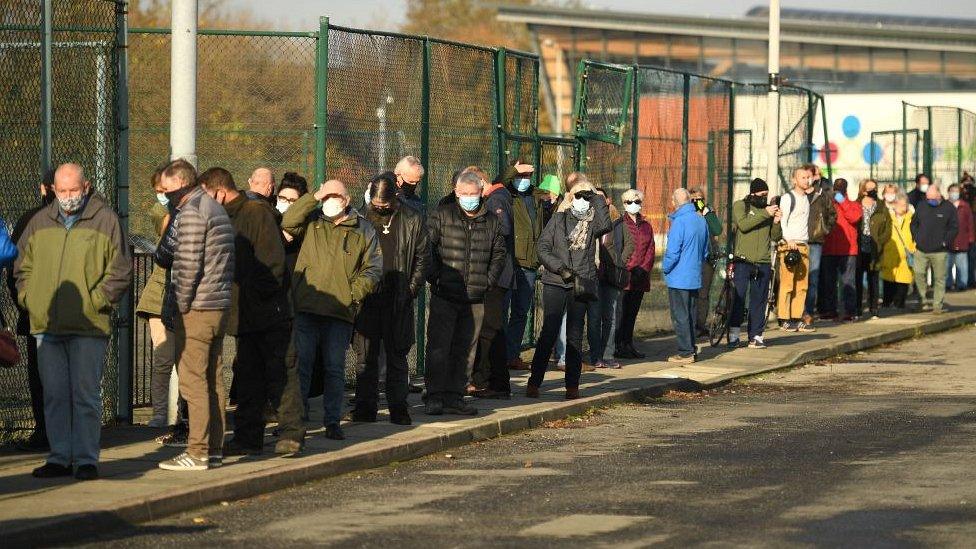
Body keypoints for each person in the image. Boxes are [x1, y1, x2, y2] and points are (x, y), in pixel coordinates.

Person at [16, 163, 132, 480]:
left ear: (86, 186)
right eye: (61, 191)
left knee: (85, 395)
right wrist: (30, 299)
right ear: (53, 189)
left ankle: (85, 459)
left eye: (72, 190)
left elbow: (120, 271)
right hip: (47, 324)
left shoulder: (106, 219)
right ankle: (59, 456)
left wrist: (97, 302)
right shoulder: (38, 222)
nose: (67, 197)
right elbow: (21, 267)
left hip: (88, 326)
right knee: (54, 395)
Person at [199, 168, 294, 457]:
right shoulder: (224, 218)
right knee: (248, 375)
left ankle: (291, 434)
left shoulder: (255, 213)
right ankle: (247, 437)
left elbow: (272, 265)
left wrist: (256, 296)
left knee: (280, 373)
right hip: (244, 313)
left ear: (218, 191)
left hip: (268, 310)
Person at [283, 179, 382, 439]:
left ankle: (332, 421)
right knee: (301, 366)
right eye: (326, 196)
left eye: (335, 196)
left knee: (334, 368)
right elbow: (288, 222)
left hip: (339, 312)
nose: (330, 201)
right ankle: (298, 421)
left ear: (347, 199)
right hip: (307, 307)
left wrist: (351, 294)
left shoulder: (363, 229)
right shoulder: (313, 221)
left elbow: (373, 269)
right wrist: (314, 196)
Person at [155, 159, 235, 472]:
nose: (166, 195)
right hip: (217, 304)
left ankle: (198, 450)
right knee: (213, 380)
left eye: (168, 189)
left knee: (192, 382)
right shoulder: (216, 209)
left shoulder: (190, 213)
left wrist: (180, 306)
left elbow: (187, 266)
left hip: (197, 308)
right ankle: (214, 447)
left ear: (183, 185)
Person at [425, 171, 506, 414]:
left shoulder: (492, 221)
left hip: (475, 297)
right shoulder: (442, 215)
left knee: (466, 350)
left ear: (481, 193)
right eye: (465, 194)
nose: (470, 198)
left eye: (474, 194)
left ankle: (455, 395)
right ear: (457, 193)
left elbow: (498, 253)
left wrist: (488, 281)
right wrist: (437, 277)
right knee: (439, 347)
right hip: (445, 295)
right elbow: (427, 250)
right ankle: (434, 396)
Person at [352, 173, 429, 424]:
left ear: (395, 198)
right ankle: (365, 408)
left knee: (397, 357)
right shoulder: (362, 218)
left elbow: (422, 257)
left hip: (398, 297)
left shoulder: (412, 219)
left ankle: (399, 408)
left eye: (384, 206)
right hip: (368, 298)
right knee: (366, 357)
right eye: (376, 206)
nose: (380, 209)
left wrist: (411, 289)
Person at [526, 176, 611, 398]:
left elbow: (606, 225)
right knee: (549, 331)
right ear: (571, 198)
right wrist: (559, 268)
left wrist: (596, 198)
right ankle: (535, 381)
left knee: (574, 334)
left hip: (580, 282)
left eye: (587, 197)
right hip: (556, 280)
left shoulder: (593, 223)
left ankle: (572, 386)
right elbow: (543, 248)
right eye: (579, 196)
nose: (582, 200)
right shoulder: (558, 219)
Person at [9, 170, 54, 452]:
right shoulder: (91, 218)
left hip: (37, 313)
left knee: (40, 377)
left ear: (42, 189)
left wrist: (24, 302)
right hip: (67, 314)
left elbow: (15, 268)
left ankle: (45, 432)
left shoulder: (30, 221)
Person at [135, 165, 179, 428]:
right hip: (159, 294)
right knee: (163, 358)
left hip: (184, 292)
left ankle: (183, 416)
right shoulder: (159, 210)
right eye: (158, 191)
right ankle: (159, 414)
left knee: (187, 361)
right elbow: (167, 233)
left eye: (166, 191)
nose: (162, 195)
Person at [468, 166, 516, 399]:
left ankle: (495, 382)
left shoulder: (496, 200)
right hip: (497, 275)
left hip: (496, 276)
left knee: (491, 330)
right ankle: (489, 379)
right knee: (490, 329)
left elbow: (502, 228)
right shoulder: (500, 197)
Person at [729, 178, 782, 349]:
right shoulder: (740, 206)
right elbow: (743, 225)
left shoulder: (766, 211)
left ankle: (756, 335)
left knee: (759, 300)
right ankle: (734, 334)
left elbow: (775, 236)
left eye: (766, 195)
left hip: (763, 262)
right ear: (753, 193)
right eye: (761, 194)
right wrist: (765, 213)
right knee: (739, 297)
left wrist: (776, 222)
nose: (764, 198)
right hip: (743, 261)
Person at [662, 188, 710, 364]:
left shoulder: (679, 222)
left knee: (680, 316)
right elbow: (706, 251)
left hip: (678, 277)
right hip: (694, 275)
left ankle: (685, 352)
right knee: (690, 314)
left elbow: (673, 252)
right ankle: (691, 348)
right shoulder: (700, 220)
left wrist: (665, 268)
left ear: (675, 202)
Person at [505, 161, 544, 371]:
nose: (524, 179)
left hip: (529, 263)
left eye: (529, 175)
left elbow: (554, 191)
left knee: (521, 312)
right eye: (521, 175)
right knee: (502, 311)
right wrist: (513, 170)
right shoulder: (506, 194)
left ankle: (512, 355)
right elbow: (497, 183)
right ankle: (499, 356)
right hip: (512, 261)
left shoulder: (535, 195)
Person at [590, 188, 634, 368]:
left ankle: (607, 354)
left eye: (602, 198)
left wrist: (619, 261)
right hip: (593, 275)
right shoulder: (589, 219)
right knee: (594, 317)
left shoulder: (617, 221)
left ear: (608, 200)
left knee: (610, 317)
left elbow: (630, 243)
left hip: (612, 275)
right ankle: (594, 356)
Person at [615, 188, 655, 360]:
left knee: (632, 313)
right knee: (621, 313)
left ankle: (628, 343)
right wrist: (629, 267)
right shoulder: (619, 224)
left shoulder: (646, 226)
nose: (633, 205)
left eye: (637, 202)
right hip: (625, 276)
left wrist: (643, 268)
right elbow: (618, 249)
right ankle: (618, 345)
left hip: (640, 277)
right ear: (624, 204)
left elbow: (651, 249)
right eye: (629, 202)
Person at [910, 184, 958, 314]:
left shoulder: (949, 208)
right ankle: (923, 301)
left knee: (939, 278)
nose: (929, 200)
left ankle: (937, 305)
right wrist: (917, 238)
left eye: (932, 197)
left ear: (938, 194)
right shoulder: (921, 206)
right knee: (918, 274)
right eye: (927, 198)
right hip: (921, 249)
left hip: (939, 251)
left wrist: (945, 242)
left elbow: (954, 228)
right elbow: (913, 223)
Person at [776, 167, 814, 331]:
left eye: (808, 177)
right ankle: (784, 318)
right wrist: (787, 239)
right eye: (803, 177)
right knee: (787, 283)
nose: (807, 180)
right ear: (794, 180)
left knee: (802, 284)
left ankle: (797, 316)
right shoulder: (787, 198)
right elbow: (783, 221)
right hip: (790, 245)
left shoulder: (806, 198)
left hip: (803, 244)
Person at [821, 178, 862, 322]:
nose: (838, 190)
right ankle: (829, 310)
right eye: (836, 187)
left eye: (841, 187)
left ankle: (849, 311)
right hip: (829, 248)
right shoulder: (829, 204)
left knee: (848, 282)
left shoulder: (853, 205)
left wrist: (842, 201)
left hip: (847, 250)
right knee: (829, 283)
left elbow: (854, 217)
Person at [802, 162, 837, 328]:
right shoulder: (795, 195)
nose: (808, 179)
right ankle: (794, 312)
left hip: (815, 241)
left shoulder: (822, 194)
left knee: (812, 278)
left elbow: (832, 214)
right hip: (798, 240)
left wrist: (824, 230)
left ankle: (808, 311)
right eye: (805, 176)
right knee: (796, 278)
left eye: (812, 176)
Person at [687, 186, 723, 335]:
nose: (697, 202)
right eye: (694, 200)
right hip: (690, 258)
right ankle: (689, 324)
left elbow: (717, 230)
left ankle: (700, 325)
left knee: (703, 293)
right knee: (690, 292)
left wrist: (706, 213)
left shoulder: (707, 212)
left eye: (700, 199)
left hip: (706, 258)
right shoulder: (686, 214)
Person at [855, 179, 891, 319]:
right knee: (857, 279)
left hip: (875, 247)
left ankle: (874, 308)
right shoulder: (856, 205)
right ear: (863, 191)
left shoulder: (881, 206)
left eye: (875, 188)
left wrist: (880, 242)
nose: (873, 191)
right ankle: (857, 308)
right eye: (870, 188)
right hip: (859, 247)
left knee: (873, 279)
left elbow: (888, 228)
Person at [880, 197, 916, 310]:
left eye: (904, 205)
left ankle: (899, 303)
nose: (902, 207)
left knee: (904, 280)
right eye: (900, 204)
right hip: (890, 253)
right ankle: (887, 302)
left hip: (906, 254)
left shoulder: (911, 218)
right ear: (894, 205)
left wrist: (913, 248)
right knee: (889, 279)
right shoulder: (888, 218)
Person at [945, 183, 974, 292]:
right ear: (948, 192)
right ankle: (948, 284)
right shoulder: (945, 205)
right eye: (952, 191)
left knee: (962, 264)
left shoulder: (965, 206)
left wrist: (971, 238)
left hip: (962, 239)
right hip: (948, 241)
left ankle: (961, 284)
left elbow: (970, 223)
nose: (954, 193)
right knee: (947, 264)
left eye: (956, 191)